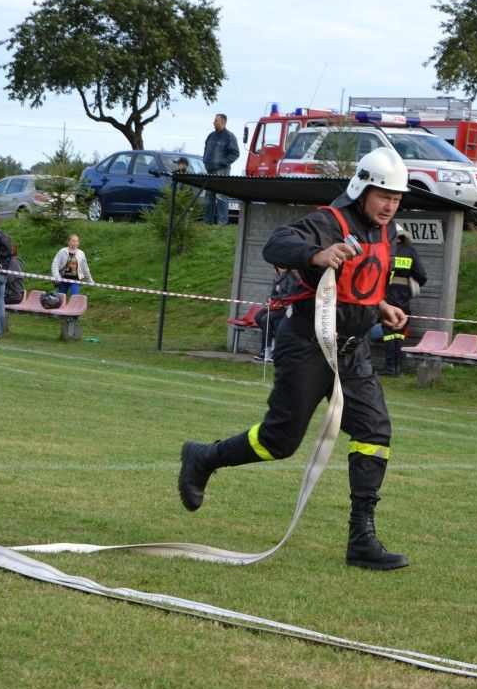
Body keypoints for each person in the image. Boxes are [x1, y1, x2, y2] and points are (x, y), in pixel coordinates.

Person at [178, 147, 412, 570]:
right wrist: (317, 255)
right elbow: (276, 244)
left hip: (352, 352)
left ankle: (362, 539)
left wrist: (379, 307)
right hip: (306, 344)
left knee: (376, 432)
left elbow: (355, 284)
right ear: (362, 188)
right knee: (279, 442)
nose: (390, 204)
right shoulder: (329, 221)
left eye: (396, 197)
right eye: (383, 195)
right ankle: (203, 457)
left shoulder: (388, 232)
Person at [379, 230, 428, 377]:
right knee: (399, 333)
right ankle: (397, 368)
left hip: (386, 296)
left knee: (388, 333)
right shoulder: (410, 251)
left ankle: (389, 369)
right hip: (403, 297)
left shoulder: (385, 250)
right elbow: (422, 277)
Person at [251, 267, 298, 363]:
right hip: (275, 305)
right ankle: (270, 341)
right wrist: (269, 298)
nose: (282, 267)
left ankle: (267, 351)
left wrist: (275, 298)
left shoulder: (291, 277)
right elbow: (272, 293)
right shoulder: (277, 277)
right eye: (280, 265)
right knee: (258, 316)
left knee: (265, 319)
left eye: (284, 265)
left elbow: (289, 295)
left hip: (284, 307)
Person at [202, 113, 239, 225]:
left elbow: (235, 153)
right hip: (210, 170)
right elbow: (206, 148)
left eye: (216, 121)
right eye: (214, 120)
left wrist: (223, 162)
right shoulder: (211, 136)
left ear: (223, 122)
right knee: (209, 196)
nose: (214, 122)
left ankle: (222, 222)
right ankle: (207, 221)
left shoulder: (229, 136)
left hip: (222, 171)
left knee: (221, 196)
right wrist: (205, 160)